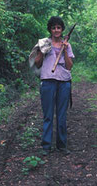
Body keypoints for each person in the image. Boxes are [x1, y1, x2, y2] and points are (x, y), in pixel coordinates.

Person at [29, 16, 74, 155]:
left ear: (62, 29)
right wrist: (42, 52)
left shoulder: (67, 45)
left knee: (61, 115)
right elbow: (37, 64)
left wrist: (65, 50)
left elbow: (69, 66)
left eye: (58, 27)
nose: (56, 30)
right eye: (53, 27)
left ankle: (62, 145)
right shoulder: (43, 43)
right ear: (50, 29)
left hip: (64, 82)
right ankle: (46, 146)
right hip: (48, 81)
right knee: (48, 115)